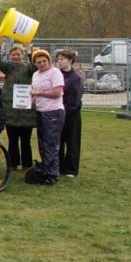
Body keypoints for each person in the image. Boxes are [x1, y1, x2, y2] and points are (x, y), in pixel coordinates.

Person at [0, 36, 37, 171]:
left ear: (22, 56)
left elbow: (35, 65)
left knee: (25, 140)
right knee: (12, 140)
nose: (16, 57)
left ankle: (27, 164)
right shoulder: (8, 68)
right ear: (10, 56)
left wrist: (29, 51)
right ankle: (13, 163)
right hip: (10, 110)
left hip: (26, 111)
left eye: (18, 54)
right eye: (13, 55)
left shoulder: (28, 68)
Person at [30, 49, 64, 184]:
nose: (42, 64)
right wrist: (29, 102)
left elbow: (57, 93)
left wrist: (39, 93)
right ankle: (45, 168)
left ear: (49, 61)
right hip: (40, 111)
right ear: (35, 63)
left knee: (51, 143)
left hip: (53, 111)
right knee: (42, 143)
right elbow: (34, 94)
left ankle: (52, 174)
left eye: (44, 61)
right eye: (39, 62)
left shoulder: (55, 73)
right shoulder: (35, 74)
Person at [56, 49, 84, 178]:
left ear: (70, 60)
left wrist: (62, 110)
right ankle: (58, 166)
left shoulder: (75, 78)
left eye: (62, 59)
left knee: (72, 141)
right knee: (58, 141)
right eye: (58, 59)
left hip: (71, 115)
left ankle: (71, 169)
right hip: (58, 113)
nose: (59, 61)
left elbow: (74, 100)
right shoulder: (57, 75)